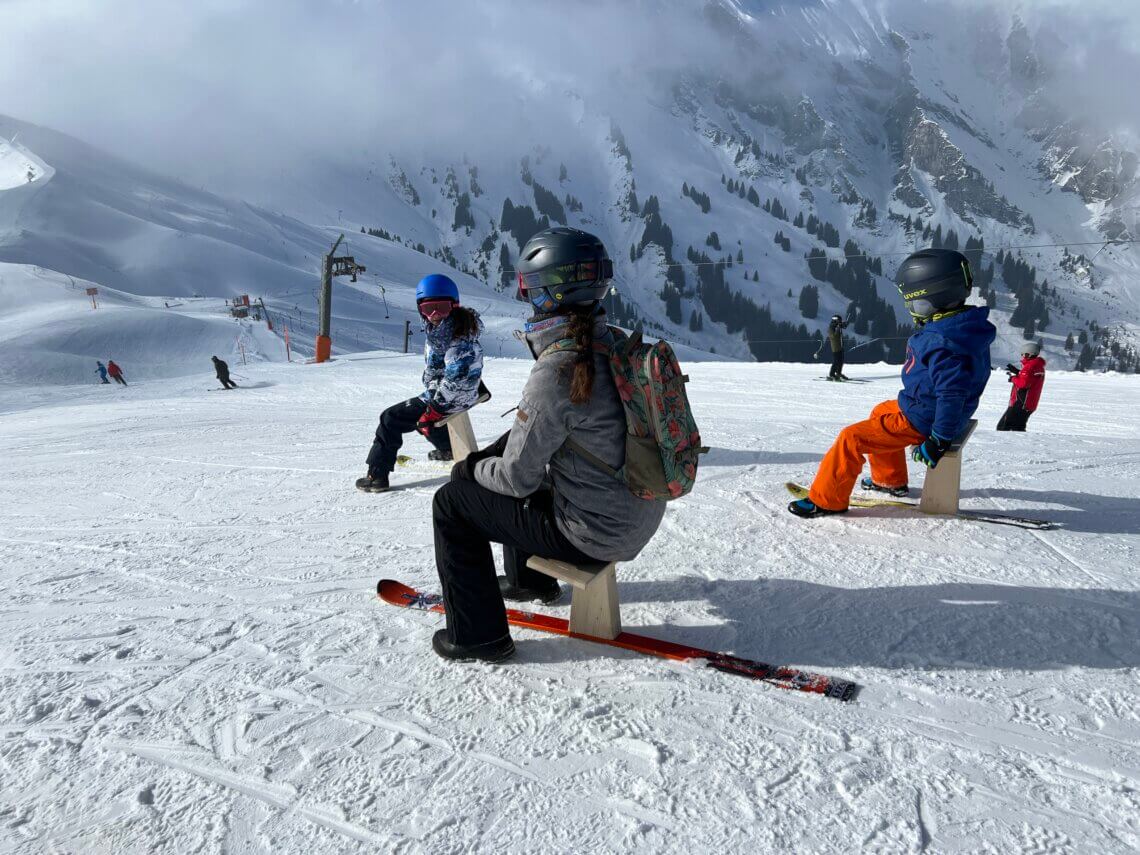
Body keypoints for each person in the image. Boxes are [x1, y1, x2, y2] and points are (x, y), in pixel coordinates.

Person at [429, 227, 667, 662]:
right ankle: (528, 581)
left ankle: (477, 637)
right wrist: (496, 456)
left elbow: (517, 479)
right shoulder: (612, 342)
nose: (524, 297)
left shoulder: (559, 366)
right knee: (526, 468)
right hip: (637, 509)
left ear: (544, 292)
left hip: (595, 532)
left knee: (453, 502)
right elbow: (544, 436)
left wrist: (468, 470)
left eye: (527, 287)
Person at [789, 248, 996, 517]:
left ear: (935, 300)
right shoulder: (965, 327)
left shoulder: (942, 343)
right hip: (928, 407)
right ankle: (889, 480)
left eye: (917, 304)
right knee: (880, 411)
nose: (913, 311)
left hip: (927, 418)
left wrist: (939, 439)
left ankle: (826, 500)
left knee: (850, 438)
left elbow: (951, 394)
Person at [356, 274, 484, 492]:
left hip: (453, 397)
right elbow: (438, 371)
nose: (434, 315)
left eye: (441, 308)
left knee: (391, 418)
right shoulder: (445, 331)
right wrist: (432, 391)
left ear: (454, 305)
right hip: (450, 394)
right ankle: (447, 448)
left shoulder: (458, 338)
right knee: (418, 414)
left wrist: (433, 409)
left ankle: (376, 475)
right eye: (428, 309)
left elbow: (456, 379)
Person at [997, 341, 1046, 431]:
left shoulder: (1029, 366)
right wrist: (1018, 372)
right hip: (1029, 403)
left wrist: (1013, 378)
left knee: (1004, 427)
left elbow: (1023, 384)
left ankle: (1005, 444)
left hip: (1021, 403)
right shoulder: (1038, 366)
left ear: (1030, 354)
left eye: (1024, 354)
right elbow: (1030, 378)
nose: (1023, 356)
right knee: (1018, 427)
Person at [827, 314, 849, 381]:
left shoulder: (836, 326)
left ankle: (838, 373)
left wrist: (845, 324)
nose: (840, 322)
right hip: (835, 347)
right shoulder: (831, 327)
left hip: (840, 346)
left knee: (841, 361)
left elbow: (843, 326)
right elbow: (834, 337)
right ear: (835, 320)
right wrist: (838, 328)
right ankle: (832, 374)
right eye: (839, 321)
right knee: (836, 361)